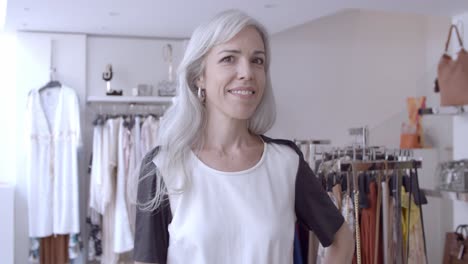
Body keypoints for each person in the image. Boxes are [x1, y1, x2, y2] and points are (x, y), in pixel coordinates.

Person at [133, 9, 354, 264]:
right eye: (229, 58)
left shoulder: (285, 163)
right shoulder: (164, 166)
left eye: (257, 61)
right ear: (199, 77)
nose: (247, 72)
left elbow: (342, 241)